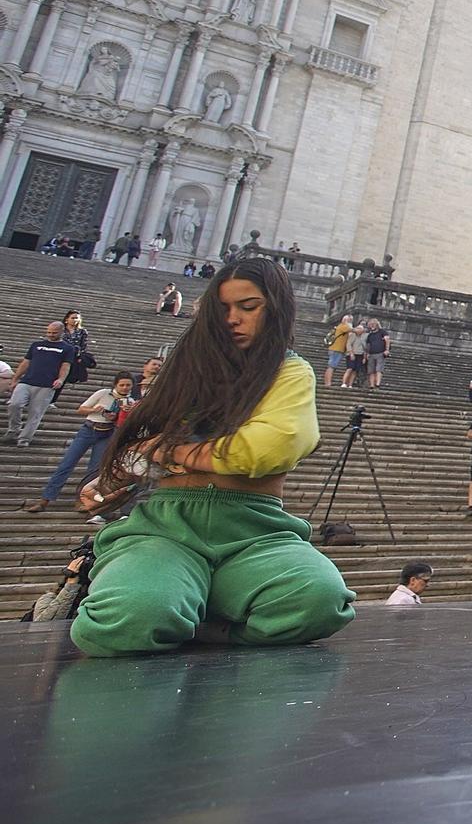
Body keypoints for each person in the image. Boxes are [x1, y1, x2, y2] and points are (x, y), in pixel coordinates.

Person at [67, 256, 356, 656]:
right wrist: (112, 478)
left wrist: (169, 451)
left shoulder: (290, 372)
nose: (233, 319)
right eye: (223, 309)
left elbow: (267, 449)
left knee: (322, 602)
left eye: (248, 307)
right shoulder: (184, 371)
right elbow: (140, 446)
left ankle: (201, 627)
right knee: (129, 617)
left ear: (276, 308)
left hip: (255, 530)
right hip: (166, 527)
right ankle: (170, 603)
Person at [26, 371, 134, 511]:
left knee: (94, 470)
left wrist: (123, 413)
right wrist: (95, 409)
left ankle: (82, 499)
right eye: (122, 385)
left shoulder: (130, 401)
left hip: (107, 432)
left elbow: (123, 423)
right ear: (116, 384)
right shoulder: (103, 393)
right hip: (89, 430)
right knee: (67, 464)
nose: (125, 388)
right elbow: (81, 409)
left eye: (128, 385)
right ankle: (45, 499)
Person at [7, 321, 73, 447]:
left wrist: (60, 379)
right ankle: (13, 430)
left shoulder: (67, 348)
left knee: (35, 412)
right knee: (14, 404)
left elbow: (66, 365)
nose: (50, 335)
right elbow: (26, 362)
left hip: (47, 384)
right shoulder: (36, 345)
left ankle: (24, 438)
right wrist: (16, 378)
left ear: (61, 332)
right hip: (27, 380)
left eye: (54, 333)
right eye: (48, 332)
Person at [325, 316, 354, 389]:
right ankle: (328, 383)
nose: (350, 321)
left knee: (332, 367)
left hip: (336, 349)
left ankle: (328, 382)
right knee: (331, 366)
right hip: (337, 349)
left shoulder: (340, 326)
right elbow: (354, 331)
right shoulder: (344, 326)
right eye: (349, 320)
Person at [362, 319, 389, 389]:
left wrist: (387, 350)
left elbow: (387, 340)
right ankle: (372, 385)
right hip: (371, 354)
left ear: (377, 324)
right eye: (370, 325)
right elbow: (368, 345)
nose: (372, 326)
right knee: (371, 370)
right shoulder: (370, 335)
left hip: (380, 353)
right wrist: (367, 354)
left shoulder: (382, 332)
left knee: (379, 369)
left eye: (373, 324)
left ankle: (377, 384)